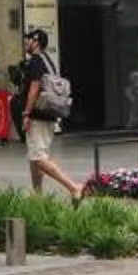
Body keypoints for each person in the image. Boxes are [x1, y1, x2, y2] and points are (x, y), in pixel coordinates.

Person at [14, 27, 84, 204]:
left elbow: (34, 88)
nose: (25, 43)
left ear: (36, 42)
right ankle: (38, 197)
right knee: (36, 158)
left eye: (28, 40)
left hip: (37, 116)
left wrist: (26, 113)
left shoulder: (36, 61)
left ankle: (73, 187)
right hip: (49, 115)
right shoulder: (49, 62)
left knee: (38, 158)